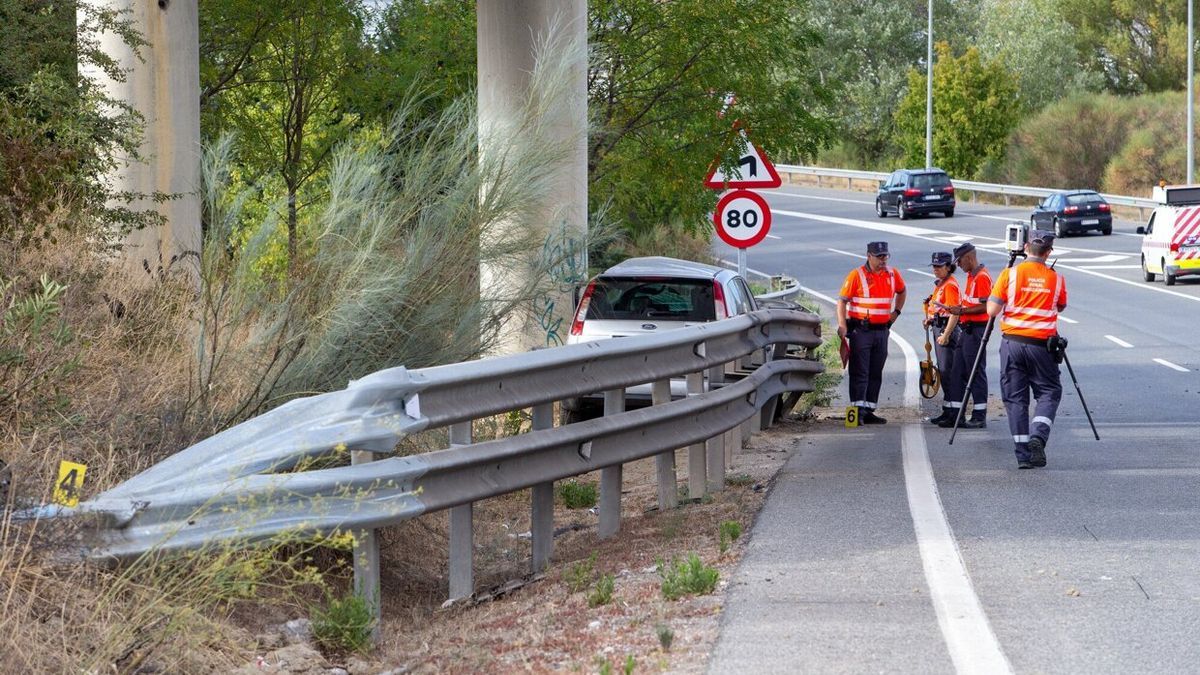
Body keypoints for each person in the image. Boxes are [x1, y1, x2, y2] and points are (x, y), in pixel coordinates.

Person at [986, 230, 1068, 469]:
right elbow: (1061, 306)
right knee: (1049, 392)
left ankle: (1023, 455)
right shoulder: (1057, 279)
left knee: (1015, 398)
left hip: (1012, 344)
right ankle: (1038, 436)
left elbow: (992, 311)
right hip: (1042, 346)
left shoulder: (1009, 274)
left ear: (1025, 248)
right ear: (1049, 252)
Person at [837, 241, 907, 424]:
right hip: (861, 330)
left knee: (876, 371)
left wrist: (896, 312)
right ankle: (857, 411)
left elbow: (902, 291)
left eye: (885, 256)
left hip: (882, 331)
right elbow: (842, 301)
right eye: (879, 256)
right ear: (869, 255)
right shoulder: (856, 275)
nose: (883, 259)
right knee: (860, 371)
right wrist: (842, 324)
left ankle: (868, 410)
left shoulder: (892, 274)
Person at [946, 242, 992, 428]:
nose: (958, 265)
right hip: (967, 329)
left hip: (976, 330)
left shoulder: (981, 277)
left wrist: (961, 311)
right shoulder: (971, 276)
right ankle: (956, 414)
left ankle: (979, 415)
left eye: (960, 261)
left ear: (969, 258)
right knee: (958, 371)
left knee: (975, 372)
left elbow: (985, 306)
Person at [923, 252, 962, 427]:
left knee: (949, 373)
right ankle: (948, 411)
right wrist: (930, 318)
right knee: (944, 372)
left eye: (939, 266)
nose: (935, 269)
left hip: (947, 330)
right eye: (934, 266)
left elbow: (954, 312)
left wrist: (946, 335)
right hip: (940, 326)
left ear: (948, 267)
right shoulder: (942, 284)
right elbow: (939, 308)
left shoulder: (950, 285)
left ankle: (955, 414)